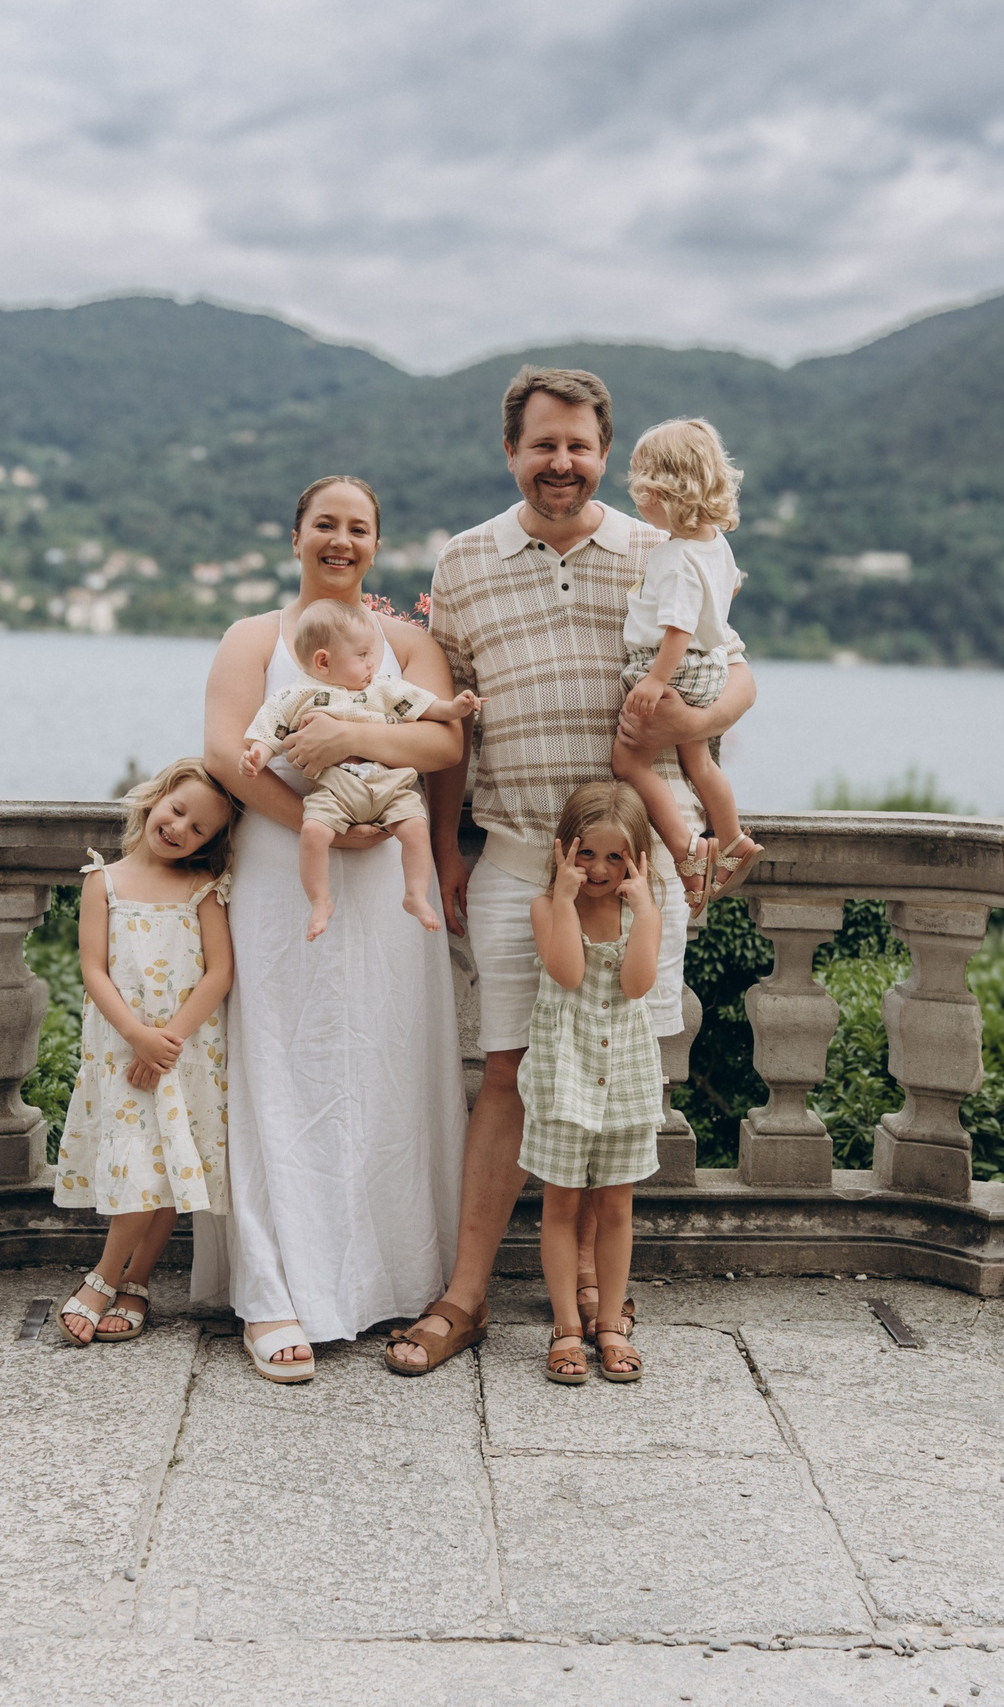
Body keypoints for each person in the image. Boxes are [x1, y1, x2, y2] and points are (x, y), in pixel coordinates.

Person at [388, 367, 756, 1376]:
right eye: (541, 444)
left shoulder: (661, 545)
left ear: (604, 452)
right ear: (510, 452)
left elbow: (737, 673)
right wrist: (452, 847)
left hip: (634, 876)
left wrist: (696, 719)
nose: (560, 463)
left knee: (621, 1079)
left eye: (578, 446)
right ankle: (465, 1298)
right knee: (507, 1073)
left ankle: (598, 1301)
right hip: (513, 863)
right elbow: (450, 721)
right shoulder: (462, 564)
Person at [203, 474, 469, 1381]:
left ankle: (392, 1273)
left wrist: (350, 747)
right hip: (292, 872)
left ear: (377, 545)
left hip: (395, 886)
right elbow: (221, 751)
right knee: (285, 1061)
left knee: (390, 1063)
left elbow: (444, 747)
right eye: (326, 524)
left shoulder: (408, 642)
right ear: (296, 536)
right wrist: (319, 821)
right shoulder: (254, 639)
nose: (341, 540)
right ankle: (276, 1290)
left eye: (359, 527)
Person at [52, 759, 239, 1349]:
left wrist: (167, 1042)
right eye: (177, 810)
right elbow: (93, 968)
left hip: (183, 1051)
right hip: (121, 1047)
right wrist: (137, 1036)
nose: (181, 828)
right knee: (139, 1161)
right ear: (155, 799)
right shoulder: (101, 881)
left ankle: (125, 1279)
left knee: (166, 1167)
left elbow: (220, 972)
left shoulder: (201, 888)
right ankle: (116, 1277)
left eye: (199, 829)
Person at [240, 597, 483, 941]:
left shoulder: (381, 687)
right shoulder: (297, 694)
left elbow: (424, 706)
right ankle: (320, 900)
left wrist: (456, 707)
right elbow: (272, 727)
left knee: (414, 826)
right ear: (323, 661)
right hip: (334, 788)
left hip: (388, 784)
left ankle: (414, 894)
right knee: (313, 832)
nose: (372, 663)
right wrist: (258, 754)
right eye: (362, 655)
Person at [523, 782, 662, 1385]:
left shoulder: (640, 915)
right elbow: (569, 972)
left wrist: (649, 909)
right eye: (587, 854)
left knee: (616, 1205)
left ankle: (609, 1321)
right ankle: (565, 1327)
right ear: (564, 851)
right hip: (565, 1076)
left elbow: (635, 986)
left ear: (635, 860)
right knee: (560, 1203)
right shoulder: (545, 908)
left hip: (625, 1078)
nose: (600, 869)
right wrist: (562, 899)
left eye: (615, 857)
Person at [610, 417, 763, 914]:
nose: (637, 503)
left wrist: (654, 680)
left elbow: (676, 628)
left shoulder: (674, 557)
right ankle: (734, 840)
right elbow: (724, 594)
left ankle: (690, 849)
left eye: (641, 491)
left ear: (664, 492)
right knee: (698, 762)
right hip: (709, 667)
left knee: (628, 760)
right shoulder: (714, 542)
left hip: (674, 669)